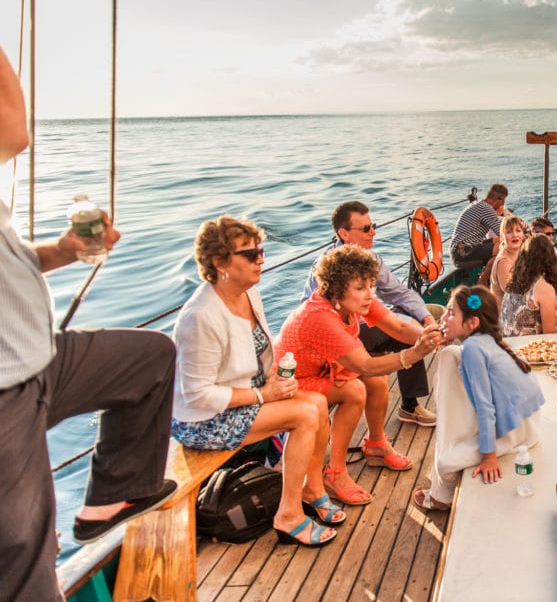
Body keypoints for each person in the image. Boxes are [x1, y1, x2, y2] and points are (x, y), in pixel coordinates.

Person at [0, 46, 177, 600]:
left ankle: (111, 496)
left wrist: (62, 250)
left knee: (151, 359)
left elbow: (10, 258)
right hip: (4, 384)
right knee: (25, 557)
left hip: (44, 355)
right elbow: (14, 130)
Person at [173, 216, 341, 547]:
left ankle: (313, 487)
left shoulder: (249, 294)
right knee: (306, 414)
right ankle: (289, 515)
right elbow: (197, 395)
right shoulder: (200, 316)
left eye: (260, 251)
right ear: (219, 262)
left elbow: (254, 356)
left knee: (318, 402)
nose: (260, 259)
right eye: (250, 254)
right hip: (204, 420)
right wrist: (262, 394)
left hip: (243, 399)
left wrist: (274, 380)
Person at [278, 244, 441, 506]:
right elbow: (364, 364)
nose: (369, 295)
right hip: (294, 381)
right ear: (337, 289)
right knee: (356, 390)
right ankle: (336, 474)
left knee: (375, 383)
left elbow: (398, 327)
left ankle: (376, 445)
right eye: (361, 288)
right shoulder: (320, 316)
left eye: (370, 286)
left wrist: (433, 337)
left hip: (326, 368)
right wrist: (417, 352)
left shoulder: (351, 301)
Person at [303, 201, 437, 427]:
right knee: (400, 328)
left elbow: (399, 292)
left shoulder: (371, 259)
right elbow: (316, 316)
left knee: (407, 314)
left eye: (372, 225)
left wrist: (427, 318)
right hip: (330, 337)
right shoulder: (328, 267)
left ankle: (409, 406)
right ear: (344, 233)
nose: (373, 232)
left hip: (355, 323)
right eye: (366, 228)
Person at [412, 286, 544, 511]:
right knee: (449, 354)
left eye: (451, 313)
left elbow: (485, 408)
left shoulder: (472, 349)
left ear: (472, 324)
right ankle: (441, 490)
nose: (443, 317)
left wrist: (489, 456)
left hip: (516, 433)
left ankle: (442, 497)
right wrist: (449, 339)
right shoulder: (483, 340)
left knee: (445, 463)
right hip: (528, 420)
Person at [501, 234, 557, 336]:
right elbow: (549, 332)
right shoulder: (543, 286)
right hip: (526, 347)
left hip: (506, 340)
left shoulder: (515, 278)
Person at [449, 184, 508, 270]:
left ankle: (487, 275)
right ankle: (485, 280)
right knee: (507, 246)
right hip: (462, 253)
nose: (502, 204)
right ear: (499, 200)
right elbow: (503, 233)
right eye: (503, 201)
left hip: (459, 251)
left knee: (497, 240)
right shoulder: (486, 209)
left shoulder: (479, 204)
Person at [489, 214, 527, 304]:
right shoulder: (503, 261)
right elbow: (511, 292)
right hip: (507, 311)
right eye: (509, 232)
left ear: (523, 234)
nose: (514, 235)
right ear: (502, 237)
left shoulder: (521, 252)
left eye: (518, 231)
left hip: (521, 302)